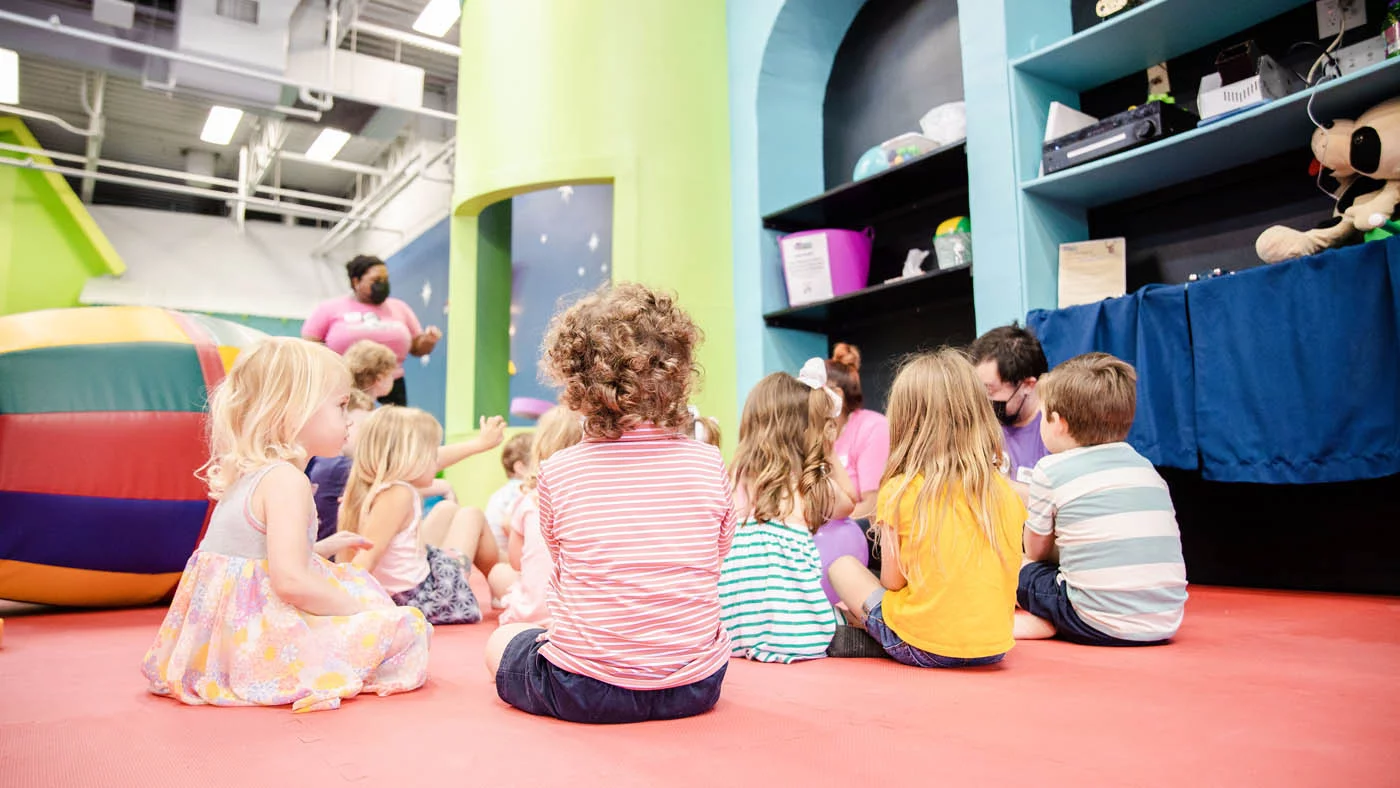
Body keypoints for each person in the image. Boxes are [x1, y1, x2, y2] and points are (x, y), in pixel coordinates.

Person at [484, 282, 735, 724]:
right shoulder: (708, 461)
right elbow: (716, 552)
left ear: (574, 381)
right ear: (677, 373)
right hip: (695, 684)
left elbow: (564, 565)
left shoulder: (558, 470)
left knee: (500, 643)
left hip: (585, 689)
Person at [141, 338, 430, 712]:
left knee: (353, 581)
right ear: (294, 412)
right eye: (341, 405)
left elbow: (253, 556)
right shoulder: (286, 480)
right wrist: (359, 612)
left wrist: (321, 549)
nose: (348, 419)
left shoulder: (254, 474)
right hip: (259, 641)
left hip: (221, 642)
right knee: (406, 625)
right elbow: (290, 581)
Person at [827, 349, 1027, 668]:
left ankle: (871, 632)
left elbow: (893, 583)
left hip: (920, 645)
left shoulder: (901, 491)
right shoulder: (1006, 492)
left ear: (906, 421)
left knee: (843, 568)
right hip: (994, 646)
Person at [1014, 353, 1188, 645]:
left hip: (1092, 620)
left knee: (1015, 564)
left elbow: (1036, 552)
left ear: (1059, 423)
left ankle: (1044, 620)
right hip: (1165, 619)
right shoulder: (1145, 467)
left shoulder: (1051, 469)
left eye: (1044, 416)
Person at [720, 369, 855, 663]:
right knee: (852, 612)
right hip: (800, 637)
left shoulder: (733, 479)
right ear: (804, 429)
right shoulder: (807, 483)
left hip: (731, 635)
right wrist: (828, 451)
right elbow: (849, 503)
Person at [338, 406, 516, 624]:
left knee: (447, 509)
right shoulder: (397, 494)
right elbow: (367, 556)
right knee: (472, 515)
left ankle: (510, 572)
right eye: (432, 455)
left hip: (412, 588)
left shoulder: (376, 487)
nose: (437, 462)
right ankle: (504, 585)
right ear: (410, 459)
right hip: (425, 598)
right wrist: (342, 604)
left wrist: (479, 444)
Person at [302, 254, 442, 407]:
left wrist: (428, 340)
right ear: (356, 281)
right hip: (345, 381)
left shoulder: (399, 307)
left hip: (392, 385)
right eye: (376, 280)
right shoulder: (329, 308)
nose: (382, 283)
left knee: (393, 421)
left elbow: (417, 347)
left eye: (385, 279)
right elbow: (310, 346)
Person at [496, 407, 583, 627]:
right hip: (574, 615)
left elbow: (516, 562)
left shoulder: (528, 501)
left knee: (498, 572)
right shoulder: (588, 498)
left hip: (529, 614)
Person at [970, 323, 1051, 489]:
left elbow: (1058, 499)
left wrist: (999, 486)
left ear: (1027, 385)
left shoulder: (1054, 430)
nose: (984, 400)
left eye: (990, 390)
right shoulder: (979, 427)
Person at [827, 343, 888, 520]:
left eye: (812, 392)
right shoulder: (816, 434)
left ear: (836, 395)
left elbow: (873, 505)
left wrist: (819, 521)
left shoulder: (873, 427)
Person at [484, 432, 534, 553]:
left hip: (495, 550)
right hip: (504, 554)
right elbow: (507, 524)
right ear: (520, 468)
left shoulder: (502, 492)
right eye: (540, 461)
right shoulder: (521, 490)